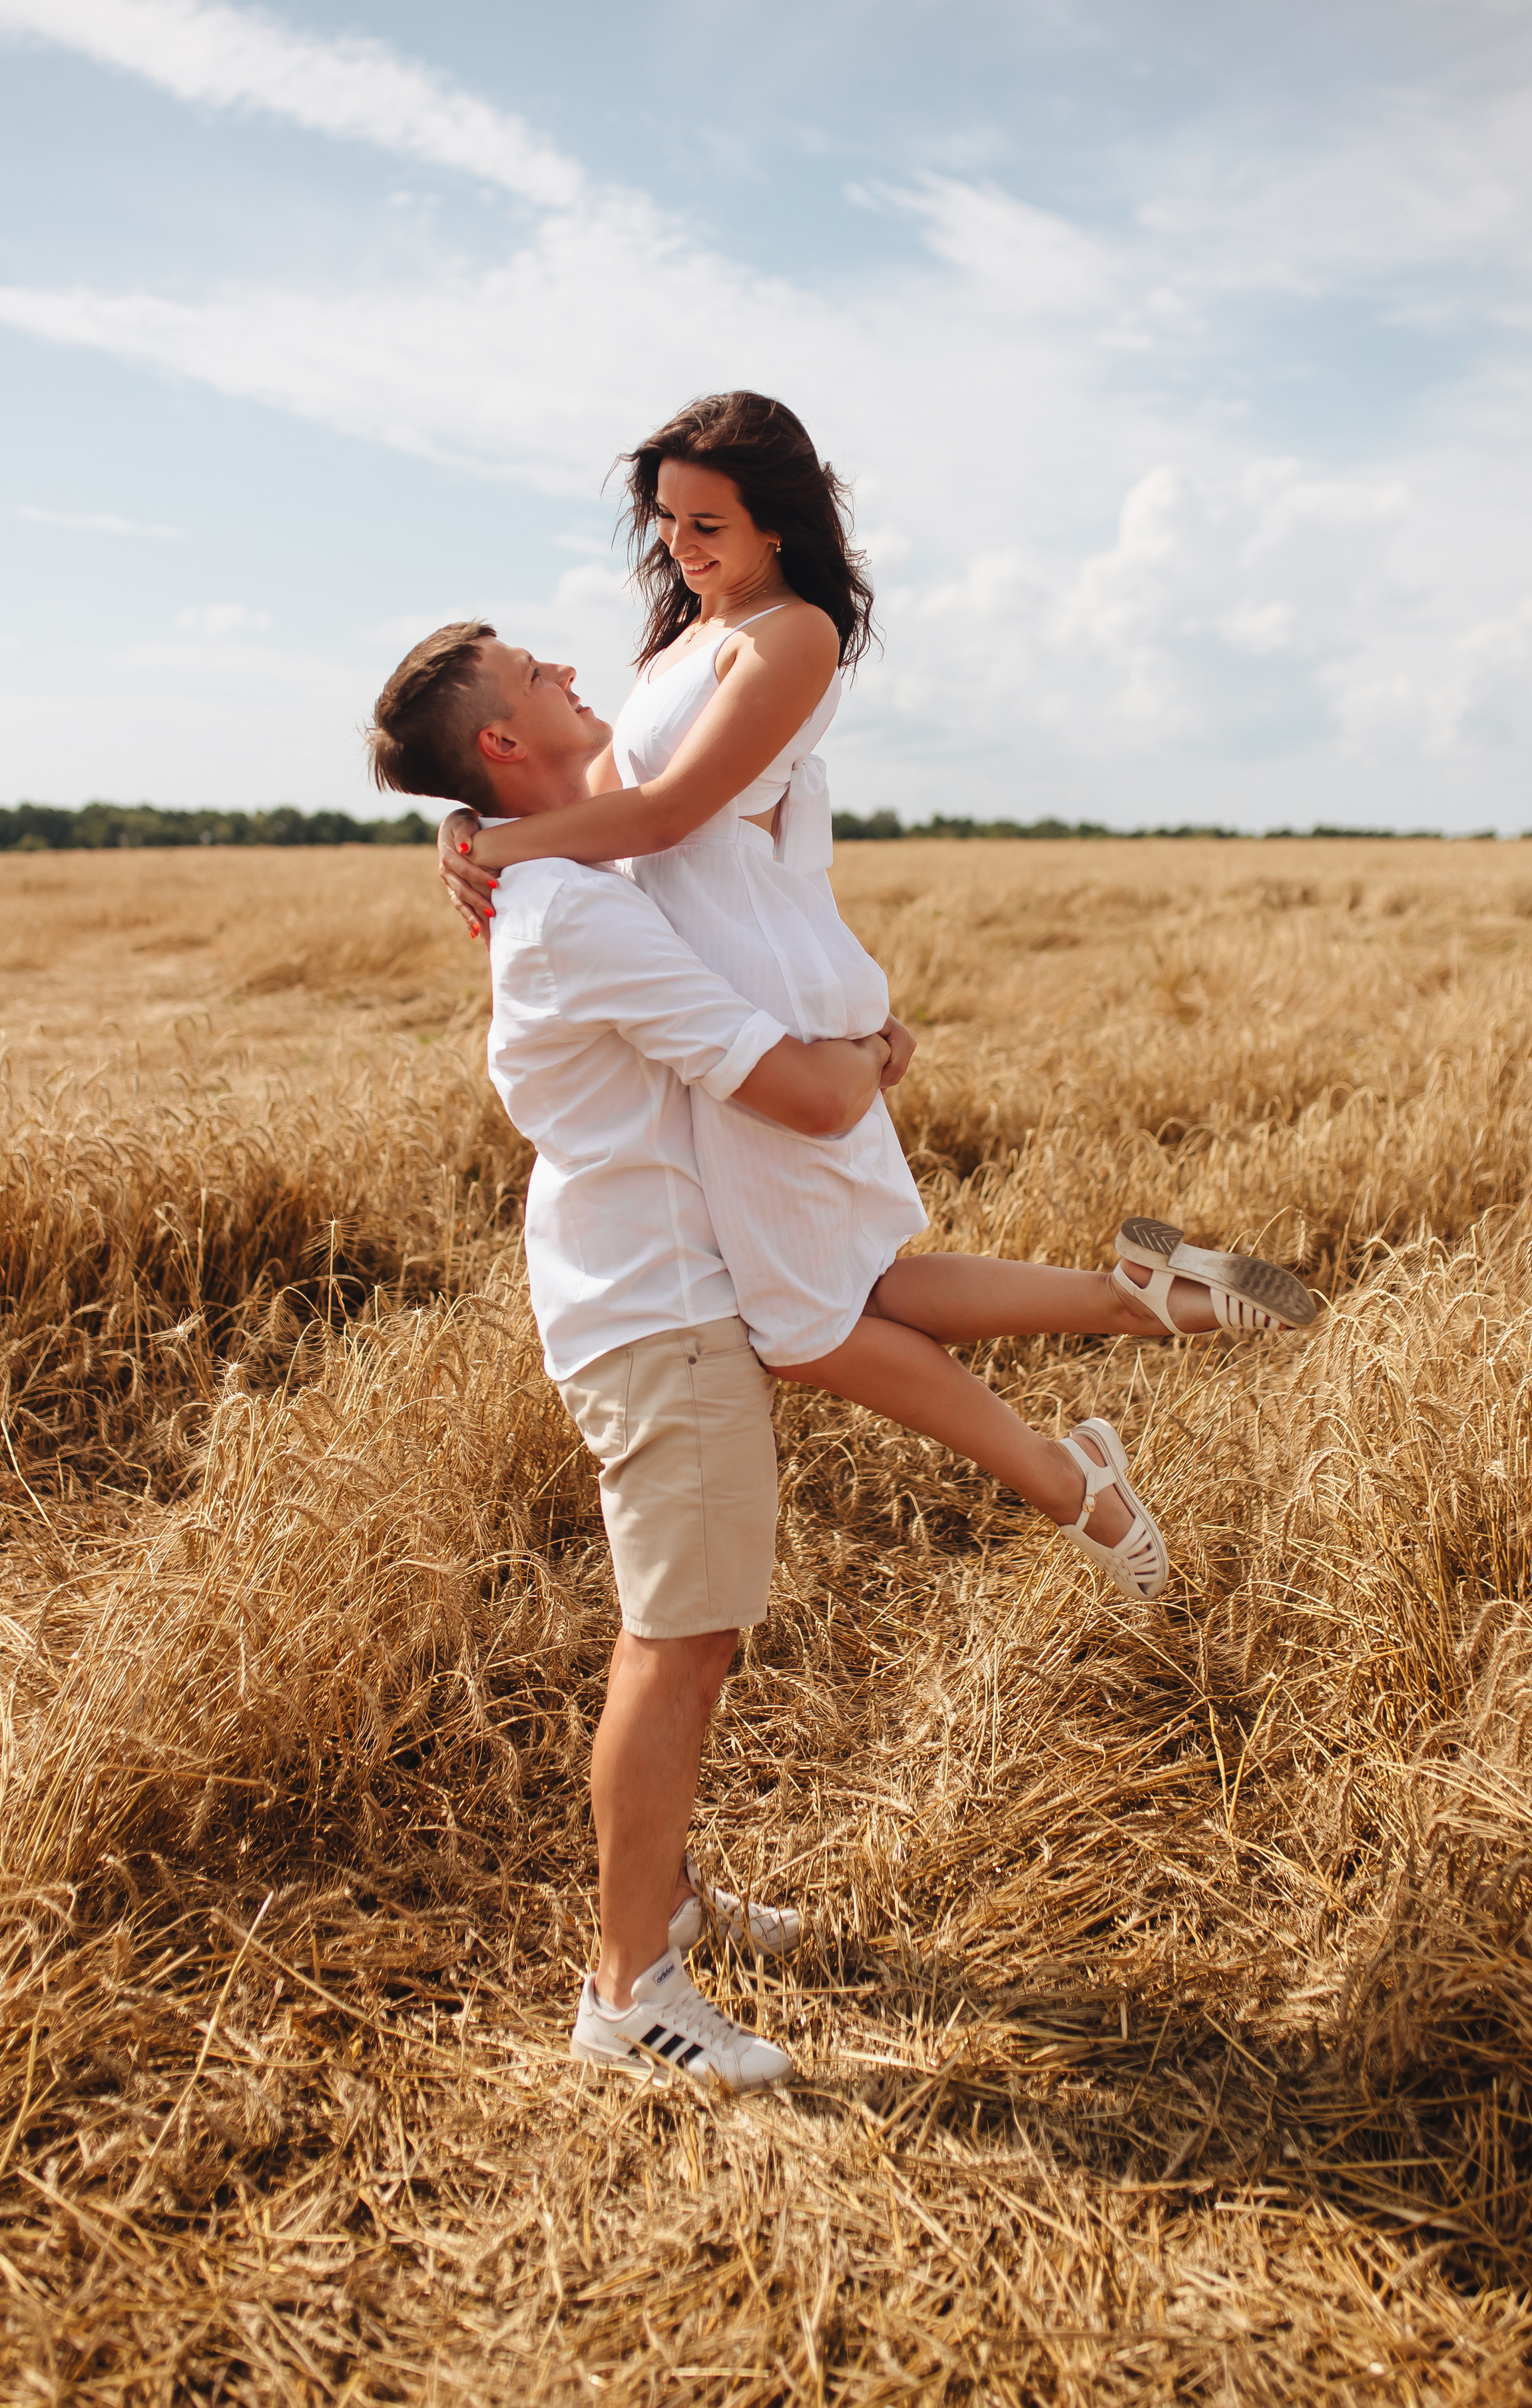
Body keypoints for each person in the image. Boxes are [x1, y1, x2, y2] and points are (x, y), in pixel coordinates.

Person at [364, 625, 1316, 2093]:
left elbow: (660, 825)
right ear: (499, 742)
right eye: (527, 669)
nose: (563, 662)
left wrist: (468, 833)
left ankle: (667, 1902)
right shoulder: (576, 911)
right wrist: (868, 1049)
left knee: (719, 1588)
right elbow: (806, 1096)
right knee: (675, 1646)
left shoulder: (567, 867)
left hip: (685, 1274)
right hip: (659, 1306)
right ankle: (628, 1991)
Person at [434, 391, 1318, 1483]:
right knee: (838, 1292)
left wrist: (494, 851)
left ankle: (1083, 1435)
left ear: (778, 526)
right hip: (719, 967)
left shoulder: (792, 634)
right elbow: (598, 800)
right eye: (668, 520)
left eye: (708, 525)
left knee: (805, 1325)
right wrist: (474, 823)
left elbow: (668, 817)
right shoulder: (684, 639)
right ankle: (1131, 1299)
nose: (680, 545)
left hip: (753, 973)